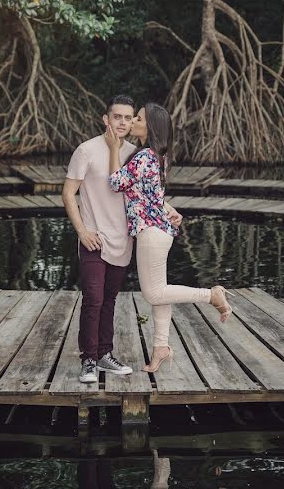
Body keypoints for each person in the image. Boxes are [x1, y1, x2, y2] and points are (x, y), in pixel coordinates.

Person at [63, 95, 183, 384]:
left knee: (109, 300)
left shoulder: (135, 153)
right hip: (95, 237)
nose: (123, 122)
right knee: (93, 298)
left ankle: (104, 354)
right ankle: (89, 360)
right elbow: (68, 194)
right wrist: (82, 231)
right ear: (106, 119)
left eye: (130, 118)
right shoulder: (86, 150)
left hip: (124, 240)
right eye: (117, 116)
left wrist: (169, 209)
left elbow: (143, 190)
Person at [105, 102, 232, 373]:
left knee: (154, 293)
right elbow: (154, 196)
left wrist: (114, 149)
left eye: (137, 118)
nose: (131, 122)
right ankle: (161, 347)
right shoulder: (158, 156)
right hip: (159, 230)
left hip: (151, 233)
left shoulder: (142, 157)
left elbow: (115, 183)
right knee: (161, 292)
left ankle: (211, 295)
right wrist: (171, 210)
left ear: (148, 126)